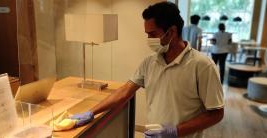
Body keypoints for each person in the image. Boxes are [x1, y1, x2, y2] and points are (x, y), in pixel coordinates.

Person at [71, 2, 224, 138]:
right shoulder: (150, 62)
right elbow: (125, 91)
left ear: (171, 32)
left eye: (152, 34)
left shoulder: (203, 66)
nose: (149, 39)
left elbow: (216, 113)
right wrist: (91, 112)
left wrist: (175, 131)